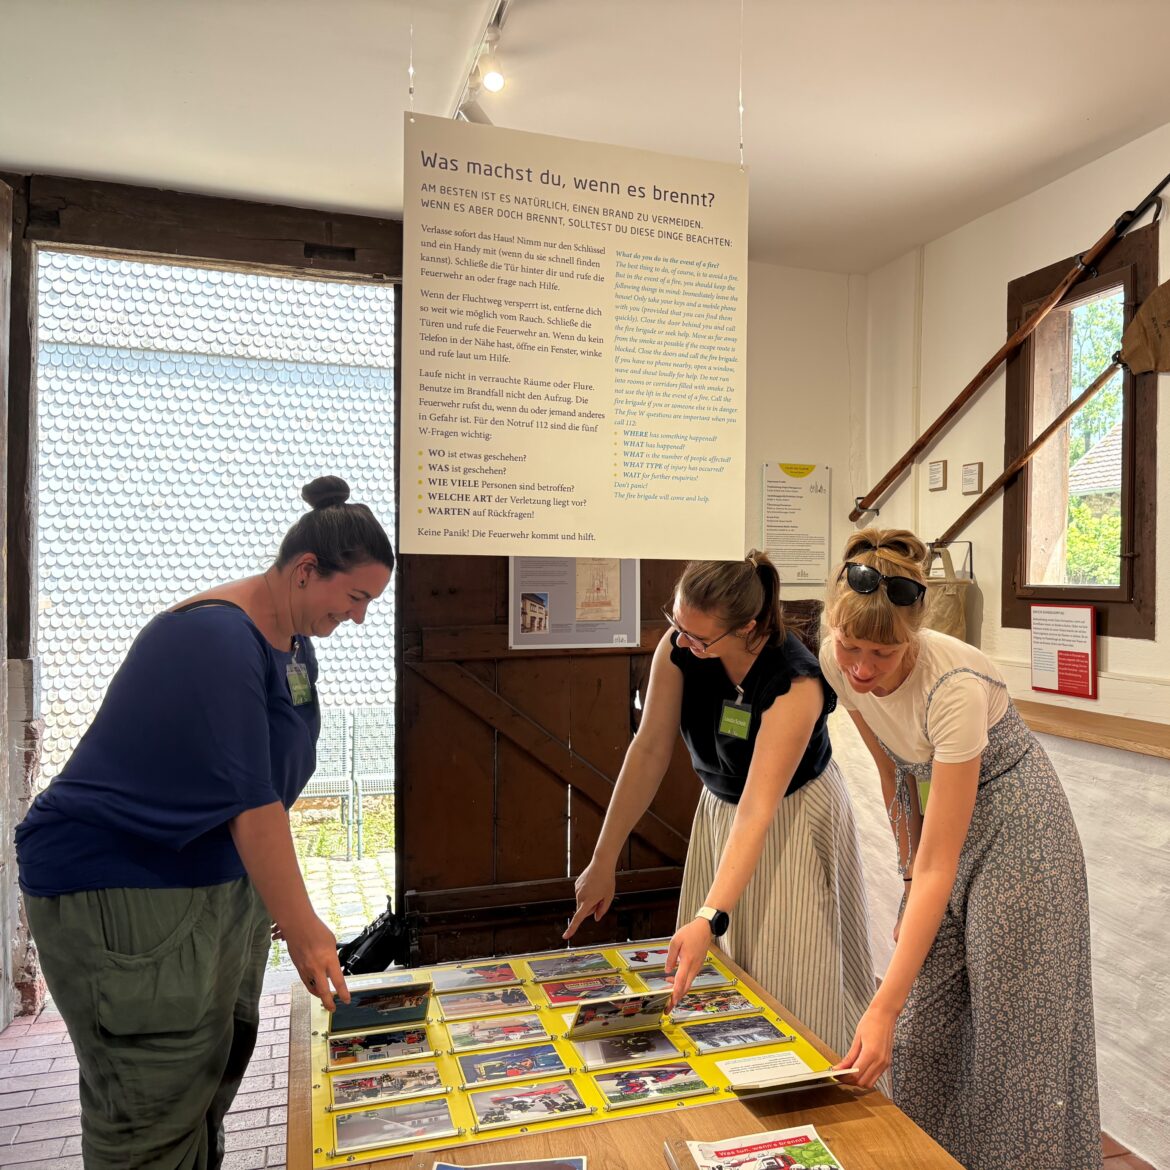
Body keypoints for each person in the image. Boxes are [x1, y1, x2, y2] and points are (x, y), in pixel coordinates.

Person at [15, 475, 393, 1170]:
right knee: (152, 1108)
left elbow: (270, 791)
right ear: (307, 571)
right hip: (122, 886)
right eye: (357, 597)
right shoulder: (216, 639)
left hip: (206, 885)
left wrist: (274, 901)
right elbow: (251, 804)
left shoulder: (292, 643)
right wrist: (306, 925)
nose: (360, 617)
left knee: (203, 1083)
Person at [819, 528, 1100, 1170]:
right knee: (924, 1031)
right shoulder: (837, 660)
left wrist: (881, 1004)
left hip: (1019, 827)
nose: (863, 668)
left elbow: (940, 863)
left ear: (912, 638)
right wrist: (906, 876)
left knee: (1013, 1030)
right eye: (851, 646)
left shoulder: (955, 689)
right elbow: (896, 778)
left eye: (882, 654)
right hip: (945, 823)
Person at [565, 552, 875, 1061]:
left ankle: (810, 1085)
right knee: (713, 978)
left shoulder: (796, 682)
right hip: (722, 812)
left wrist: (710, 915)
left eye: (699, 637)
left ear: (748, 627)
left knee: (793, 972)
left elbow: (759, 807)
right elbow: (648, 750)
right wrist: (603, 860)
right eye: (677, 625)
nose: (682, 642)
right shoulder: (680, 646)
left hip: (793, 816)